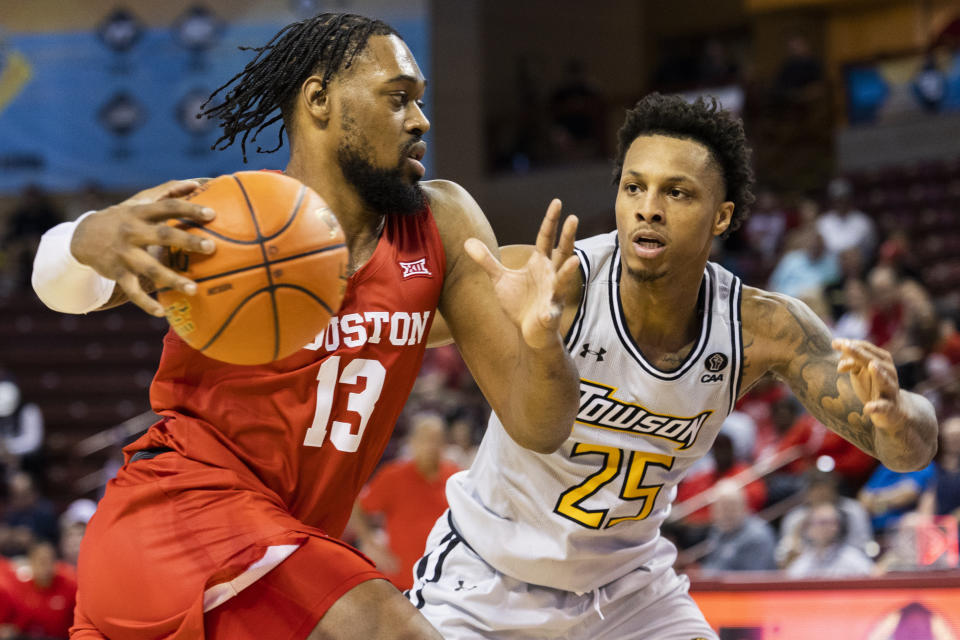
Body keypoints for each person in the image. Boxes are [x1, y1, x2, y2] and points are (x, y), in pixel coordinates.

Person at [30, 13, 582, 640]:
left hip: (278, 553)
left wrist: (543, 345)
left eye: (421, 102)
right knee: (393, 632)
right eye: (397, 98)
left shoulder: (443, 223)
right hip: (174, 515)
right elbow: (60, 287)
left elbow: (542, 425)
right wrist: (85, 238)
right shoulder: (230, 218)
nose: (421, 121)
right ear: (319, 100)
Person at [412, 93, 938, 639]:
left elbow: (910, 450)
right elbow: (396, 327)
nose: (649, 208)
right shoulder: (556, 281)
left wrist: (896, 415)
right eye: (633, 187)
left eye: (677, 192)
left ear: (722, 215)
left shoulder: (764, 328)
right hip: (489, 581)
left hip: (628, 593)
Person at [352, 412, 459, 590]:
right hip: (401, 583)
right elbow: (358, 507)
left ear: (445, 444)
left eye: (437, 440)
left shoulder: (456, 477)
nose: (431, 446)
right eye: (425, 439)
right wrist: (369, 543)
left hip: (444, 583)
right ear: (412, 442)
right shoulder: (393, 476)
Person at [699, 481, 777, 573]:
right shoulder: (718, 530)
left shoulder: (758, 536)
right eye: (721, 507)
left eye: (732, 507)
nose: (727, 513)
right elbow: (712, 567)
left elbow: (750, 579)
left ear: (745, 507)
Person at [783, 501, 873, 578]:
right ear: (808, 528)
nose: (831, 527)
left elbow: (872, 579)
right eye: (823, 523)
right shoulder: (803, 563)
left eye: (834, 523)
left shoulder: (853, 558)